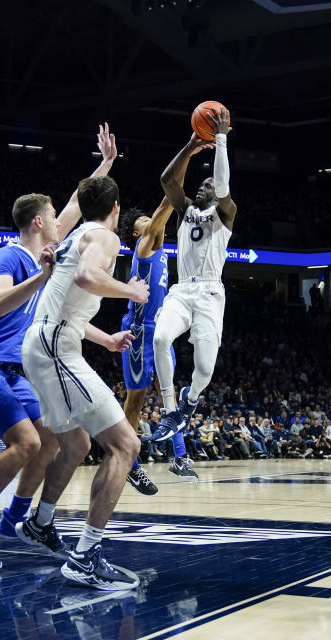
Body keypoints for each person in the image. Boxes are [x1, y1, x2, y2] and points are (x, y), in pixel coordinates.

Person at [0, 125, 119, 572]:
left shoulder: (52, 247)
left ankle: (15, 522)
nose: (62, 218)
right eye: (54, 214)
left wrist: (107, 164)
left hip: (14, 368)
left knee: (53, 441)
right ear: (39, 222)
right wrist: (41, 275)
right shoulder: (7, 256)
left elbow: (79, 205)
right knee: (25, 444)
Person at [20, 175, 148, 590]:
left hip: (46, 341)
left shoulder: (77, 234)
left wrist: (107, 338)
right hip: (56, 347)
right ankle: (85, 557)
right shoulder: (105, 238)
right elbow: (88, 279)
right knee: (126, 445)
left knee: (77, 444)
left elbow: (71, 306)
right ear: (116, 208)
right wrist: (131, 292)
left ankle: (40, 524)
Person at [150, 110, 238, 443]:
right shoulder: (185, 211)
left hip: (211, 295)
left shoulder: (226, 214)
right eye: (200, 185)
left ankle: (189, 400)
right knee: (160, 339)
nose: (202, 188)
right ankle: (171, 411)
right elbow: (167, 181)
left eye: (207, 186)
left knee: (204, 370)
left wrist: (221, 141)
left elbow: (224, 184)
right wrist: (190, 146)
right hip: (181, 291)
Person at [117, 193, 200, 495]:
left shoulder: (161, 246)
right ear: (138, 233)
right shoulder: (144, 245)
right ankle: (130, 461)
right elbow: (164, 209)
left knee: (169, 394)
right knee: (135, 400)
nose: (151, 222)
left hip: (159, 329)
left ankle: (180, 457)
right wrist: (174, 187)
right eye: (145, 221)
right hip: (138, 333)